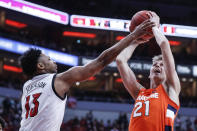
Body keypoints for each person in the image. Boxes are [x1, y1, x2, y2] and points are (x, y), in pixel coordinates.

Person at [19, 19, 155, 131]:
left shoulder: (27, 87)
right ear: (40, 66)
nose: (53, 60)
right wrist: (133, 36)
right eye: (48, 59)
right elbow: (101, 61)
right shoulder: (58, 80)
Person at [116, 11, 181, 131]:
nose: (157, 65)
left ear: (169, 74)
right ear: (149, 74)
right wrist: (135, 40)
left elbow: (164, 44)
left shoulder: (171, 90)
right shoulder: (140, 93)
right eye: (155, 64)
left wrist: (154, 26)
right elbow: (120, 60)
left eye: (162, 65)